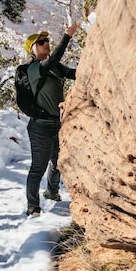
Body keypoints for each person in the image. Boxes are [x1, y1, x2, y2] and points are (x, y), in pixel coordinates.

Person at [23, 21, 79, 217]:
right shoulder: (33, 68)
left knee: (57, 163)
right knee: (38, 166)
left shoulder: (56, 68)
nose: (46, 43)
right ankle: (32, 206)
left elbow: (76, 74)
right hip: (40, 126)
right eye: (41, 42)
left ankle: (52, 193)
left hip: (58, 124)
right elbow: (53, 59)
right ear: (32, 50)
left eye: (47, 40)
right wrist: (67, 36)